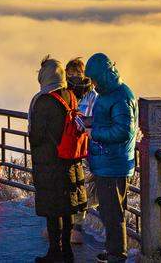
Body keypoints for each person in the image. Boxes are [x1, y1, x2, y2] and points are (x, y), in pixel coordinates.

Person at [29, 56, 87, 263]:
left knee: (53, 210)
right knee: (66, 207)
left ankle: (55, 252)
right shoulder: (70, 95)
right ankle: (67, 253)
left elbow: (36, 135)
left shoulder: (44, 100)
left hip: (50, 163)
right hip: (70, 161)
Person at [85, 53, 138, 263]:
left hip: (113, 164)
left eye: (95, 79)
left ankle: (117, 254)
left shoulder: (120, 96)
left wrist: (93, 133)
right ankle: (113, 250)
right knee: (109, 211)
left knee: (113, 213)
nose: (94, 84)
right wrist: (89, 122)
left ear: (103, 76)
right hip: (109, 162)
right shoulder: (111, 93)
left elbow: (122, 131)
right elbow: (108, 122)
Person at [65, 57, 98, 244]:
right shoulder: (67, 94)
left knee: (83, 188)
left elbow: (93, 121)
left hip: (88, 149)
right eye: (70, 75)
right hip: (69, 150)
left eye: (77, 74)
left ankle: (77, 226)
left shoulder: (93, 96)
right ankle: (66, 224)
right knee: (69, 186)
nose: (74, 78)